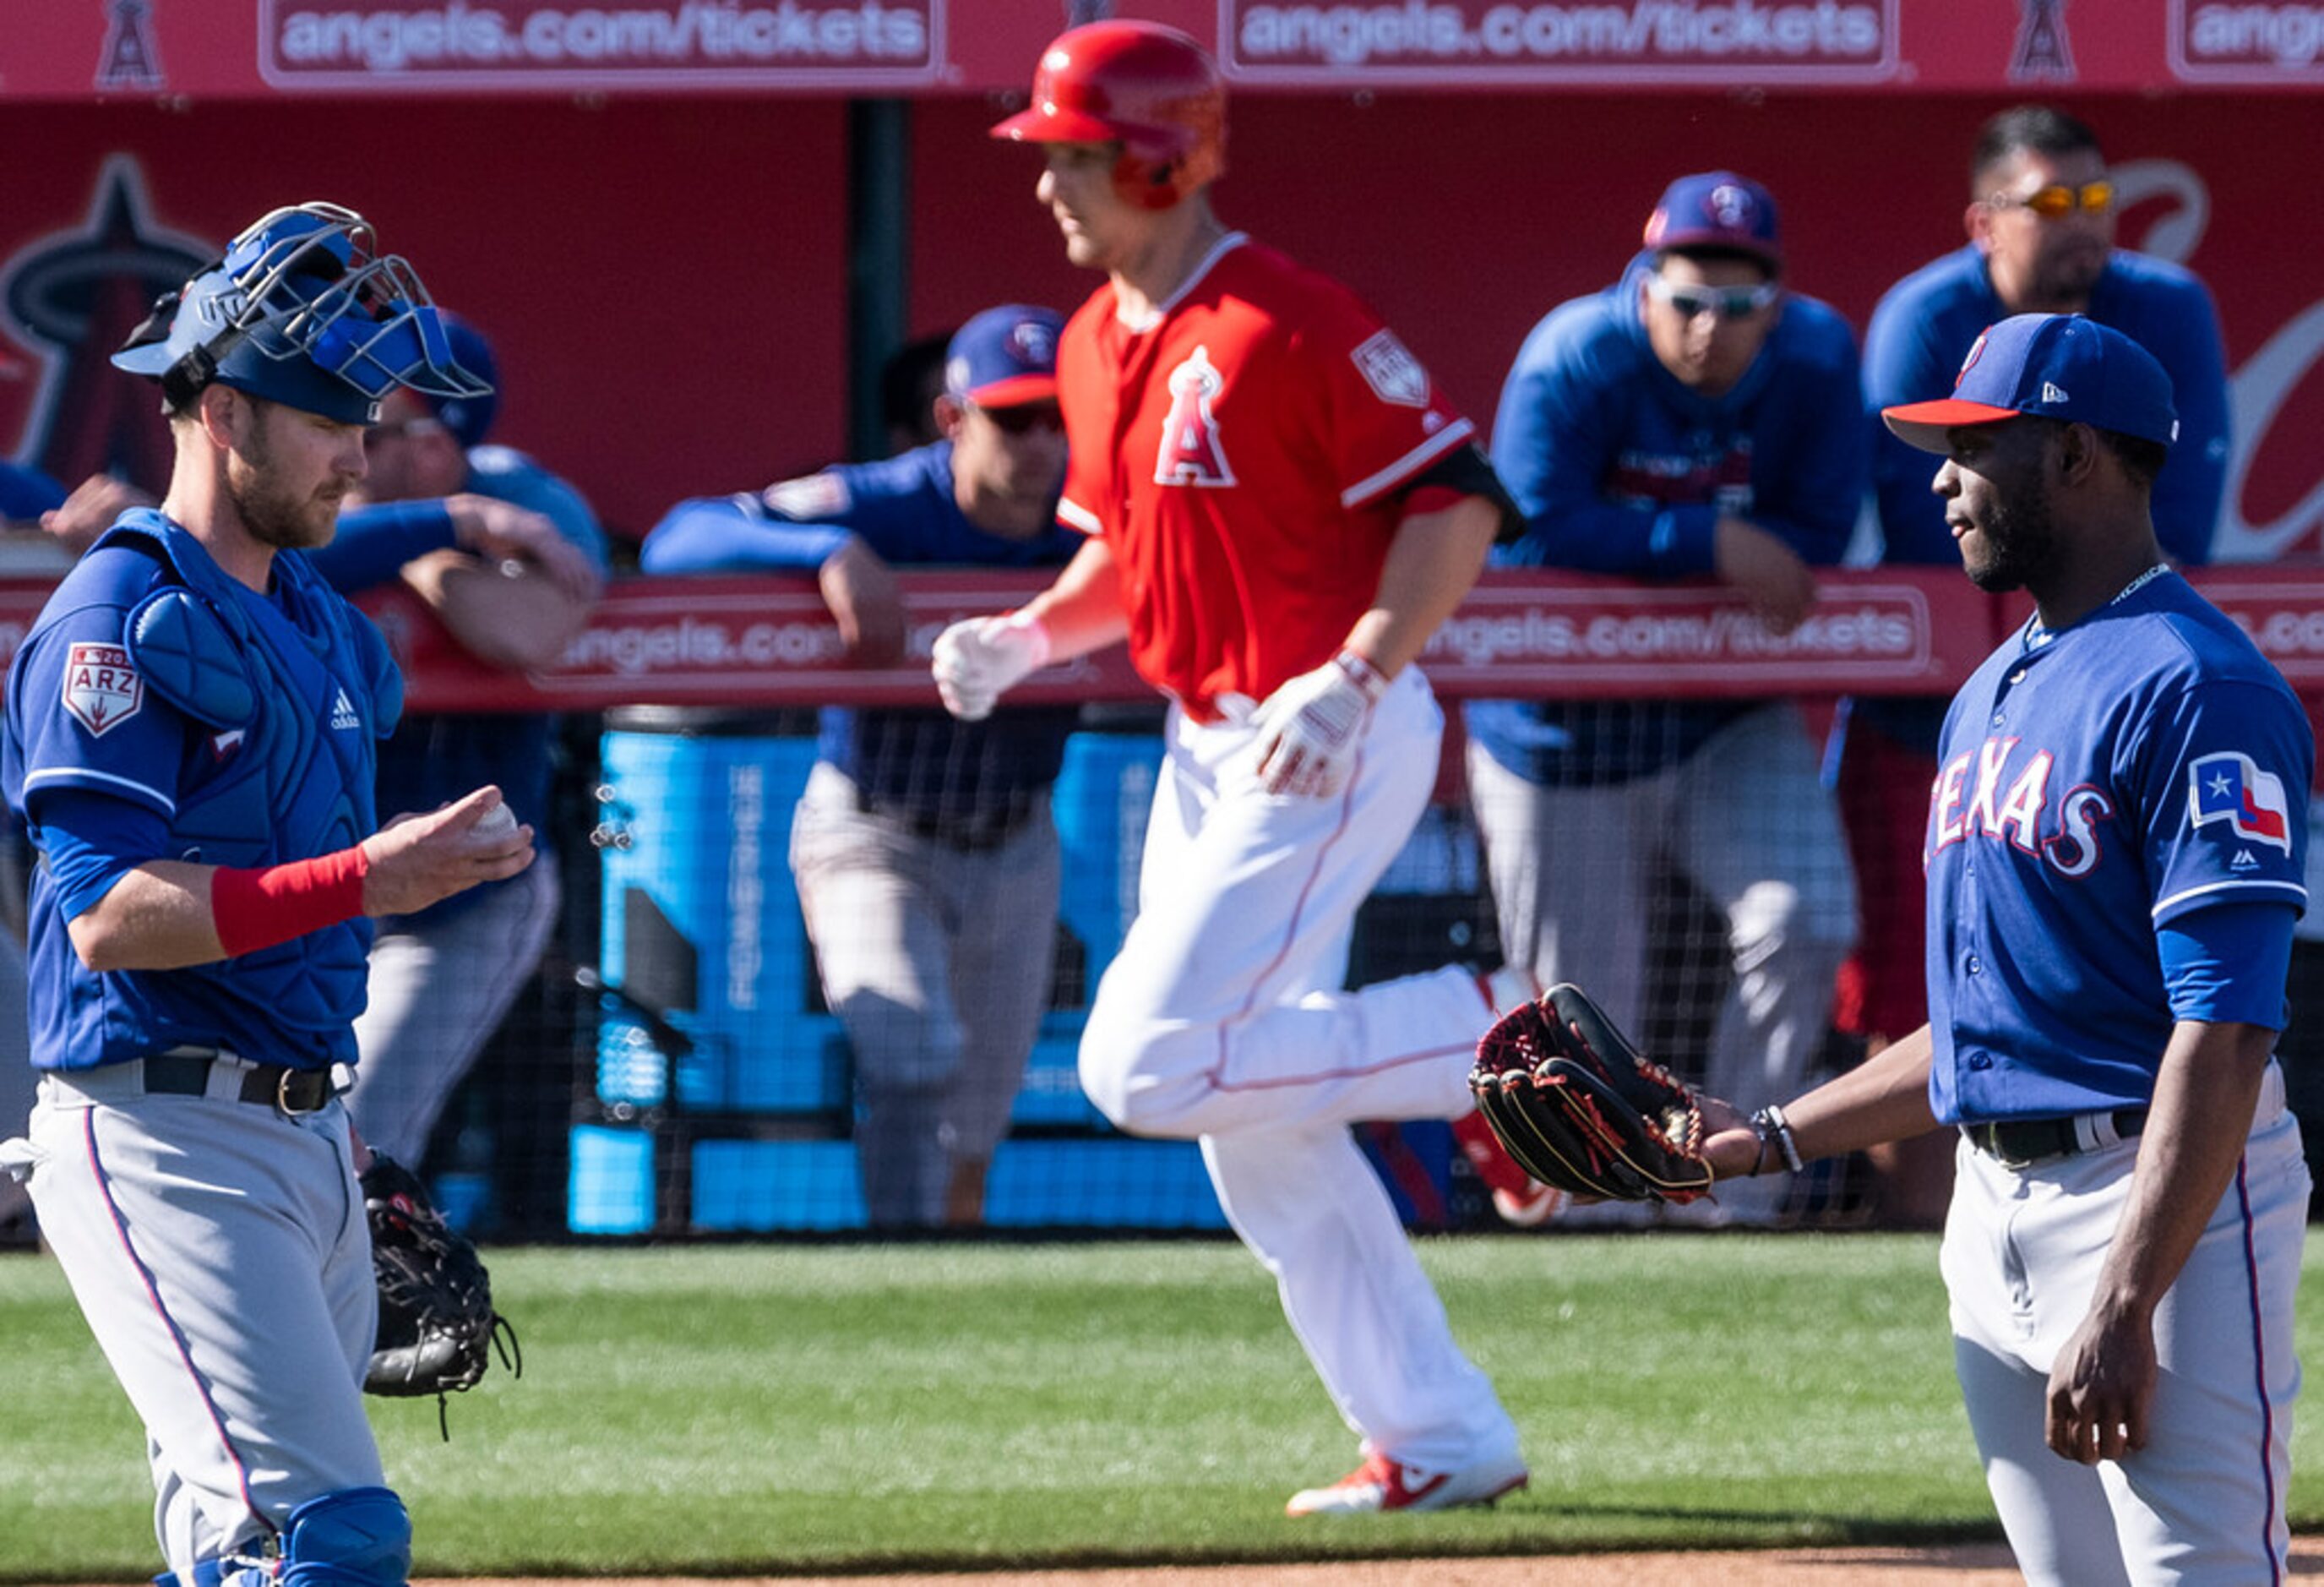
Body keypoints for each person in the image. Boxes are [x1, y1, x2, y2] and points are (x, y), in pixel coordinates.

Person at [939, 19, 1532, 1515]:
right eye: (1050, 157)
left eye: (1074, 156)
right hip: (1204, 739)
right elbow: (1123, 569)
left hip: (1325, 725)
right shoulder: (1089, 338)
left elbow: (1455, 504)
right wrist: (1025, 639)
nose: (1050, 187)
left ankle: (1496, 1033)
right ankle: (1443, 1432)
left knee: (1142, 1065)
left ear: (1158, 150)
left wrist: (1360, 667)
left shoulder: (1285, 315)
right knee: (1254, 1128)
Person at [1694, 314, 2309, 1584]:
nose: (1938, 477)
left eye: (1975, 445)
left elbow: (2229, 1024)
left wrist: (2128, 1299)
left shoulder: (2201, 686)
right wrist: (1770, 1134)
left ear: (2075, 454)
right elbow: (1982, 1028)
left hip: (2160, 1203)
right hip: (1989, 1207)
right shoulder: (1991, 688)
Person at [0, 203, 536, 1587]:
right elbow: (106, 911)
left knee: (226, 1542)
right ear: (223, 410)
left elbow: (292, 916)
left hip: (302, 1127)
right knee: (334, 1537)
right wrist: (373, 876)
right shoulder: (115, 618)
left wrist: (335, 1133)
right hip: (159, 1134)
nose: (358, 452)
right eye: (325, 417)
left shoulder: (322, 626)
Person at [1842, 107, 2232, 1223]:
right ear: (1983, 220)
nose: (2081, 227)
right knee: (1923, 979)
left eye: (2094, 200)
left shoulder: (2195, 684)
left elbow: (2177, 519)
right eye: (2050, 204)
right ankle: (1915, 1243)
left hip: (2106, 696)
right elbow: (1920, 536)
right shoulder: (1925, 313)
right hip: (1940, 718)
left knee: (2135, 975)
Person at [1469, 171, 1863, 1224]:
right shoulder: (1576, 354)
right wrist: (1708, 540)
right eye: (1686, 300)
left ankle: (1724, 1190)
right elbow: (1531, 523)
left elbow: (1819, 534)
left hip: (1717, 719)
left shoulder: (1818, 355)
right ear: (1644, 286)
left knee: (1807, 919)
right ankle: (1598, 1220)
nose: (1708, 328)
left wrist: (1692, 552)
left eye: (1737, 307)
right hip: (1558, 734)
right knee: (1579, 1018)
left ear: (1773, 304)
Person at [641, 304, 1080, 1229]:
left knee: (978, 1120)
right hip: (877, 829)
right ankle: (903, 1260)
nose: (1041, 442)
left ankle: (950, 1279)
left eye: (1058, 415)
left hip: (1020, 839)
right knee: (912, 1054)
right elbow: (678, 536)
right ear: (953, 418)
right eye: (1014, 417)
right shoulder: (889, 500)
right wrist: (827, 550)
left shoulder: (1097, 514)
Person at [302, 314, 607, 1176]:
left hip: (462, 898)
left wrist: (424, 544)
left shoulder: (531, 500)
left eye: (377, 420)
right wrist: (445, 527)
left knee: (359, 1138)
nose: (346, 438)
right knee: (278, 1137)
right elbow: (233, 555)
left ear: (438, 443)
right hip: (305, 894)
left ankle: (380, 1307)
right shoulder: (313, 492)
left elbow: (523, 632)